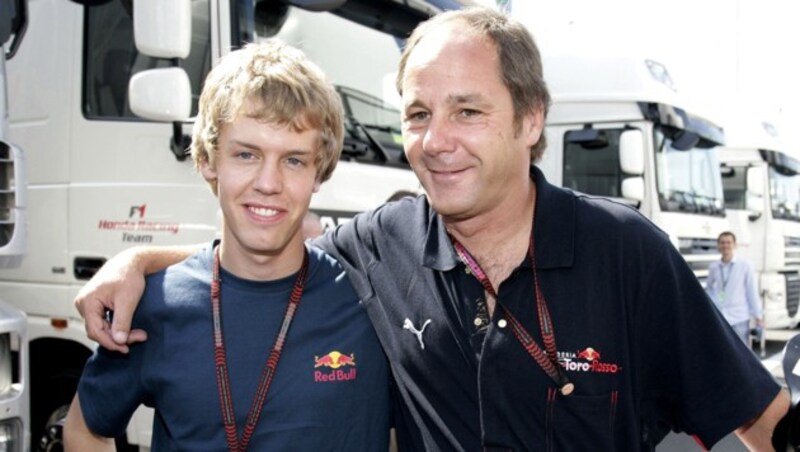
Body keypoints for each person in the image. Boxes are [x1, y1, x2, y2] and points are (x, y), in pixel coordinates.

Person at [73, 7, 788, 451]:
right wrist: (138, 265)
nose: (435, 140)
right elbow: (266, 246)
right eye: (418, 114)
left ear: (530, 119)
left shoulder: (628, 254)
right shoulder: (380, 247)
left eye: (468, 112)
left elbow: (759, 417)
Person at [63, 40, 390, 451]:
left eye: (293, 160)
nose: (268, 184)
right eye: (247, 155)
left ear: (318, 173)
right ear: (208, 159)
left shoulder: (371, 304)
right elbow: (86, 429)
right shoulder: (155, 304)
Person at [706, 231, 763, 349]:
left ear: (734, 245)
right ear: (718, 245)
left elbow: (751, 291)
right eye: (722, 243)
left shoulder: (745, 265)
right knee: (722, 351)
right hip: (721, 317)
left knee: (742, 353)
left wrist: (758, 317)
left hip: (739, 318)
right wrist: (714, 303)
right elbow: (709, 288)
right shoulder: (714, 266)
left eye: (728, 242)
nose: (725, 245)